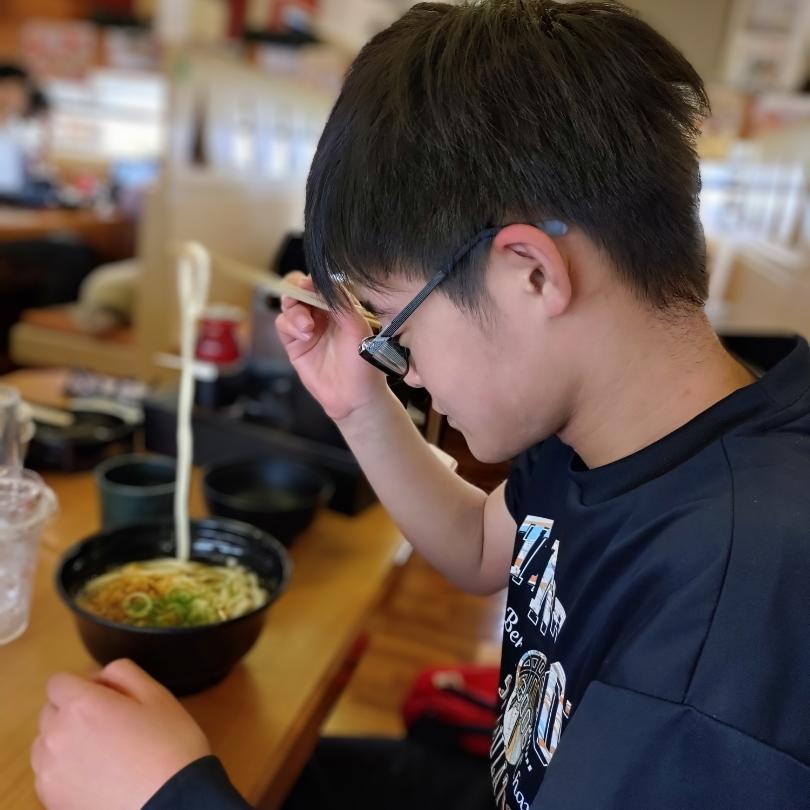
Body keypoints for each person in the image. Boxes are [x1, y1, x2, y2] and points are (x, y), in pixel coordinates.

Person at [31, 1, 810, 809]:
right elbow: (483, 544)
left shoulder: (726, 638)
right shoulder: (612, 426)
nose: (400, 363)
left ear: (531, 273)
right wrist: (358, 404)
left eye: (396, 323)